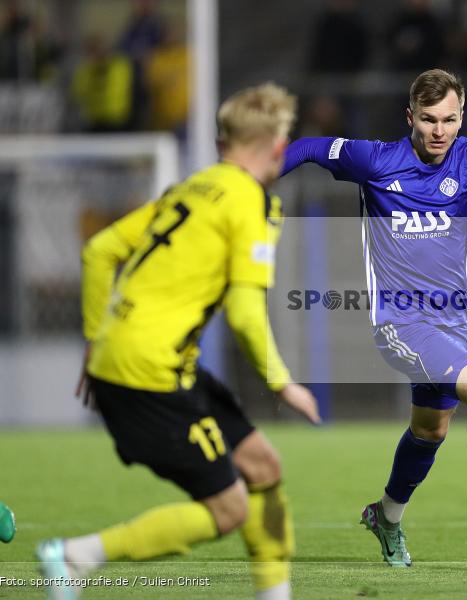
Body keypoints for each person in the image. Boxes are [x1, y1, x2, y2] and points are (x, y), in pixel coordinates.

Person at [280, 69, 467, 566]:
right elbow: (312, 146)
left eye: (449, 119)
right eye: (428, 119)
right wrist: (255, 176)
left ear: (461, 118)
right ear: (410, 118)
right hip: (400, 324)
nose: (439, 130)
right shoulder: (376, 160)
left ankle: (387, 515)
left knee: (430, 431)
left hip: (453, 325)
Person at [36, 83, 320, 600]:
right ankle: (76, 557)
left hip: (140, 358)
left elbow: (99, 250)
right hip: (151, 371)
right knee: (229, 508)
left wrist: (96, 341)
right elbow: (244, 310)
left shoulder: (190, 187)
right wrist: (281, 382)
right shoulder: (251, 202)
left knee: (263, 465)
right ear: (278, 148)